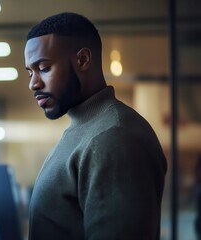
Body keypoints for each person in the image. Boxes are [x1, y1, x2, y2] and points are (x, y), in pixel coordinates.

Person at [24, 12, 167, 239]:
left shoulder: (114, 137)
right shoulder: (86, 129)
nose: (33, 83)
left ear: (83, 60)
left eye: (44, 67)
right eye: (30, 72)